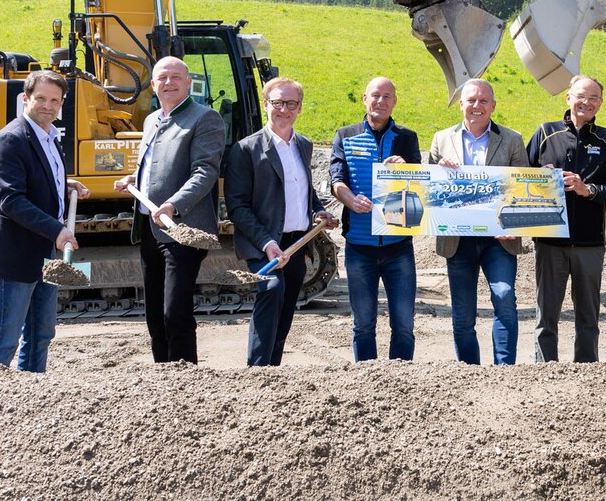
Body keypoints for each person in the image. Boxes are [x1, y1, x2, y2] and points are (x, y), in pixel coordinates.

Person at [0, 70, 87, 372]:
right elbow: (11, 200)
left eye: (55, 100)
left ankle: (33, 390)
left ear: (62, 103)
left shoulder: (49, 137)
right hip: (15, 253)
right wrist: (57, 230)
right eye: (41, 99)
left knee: (41, 334)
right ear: (25, 99)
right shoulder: (10, 140)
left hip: (43, 250)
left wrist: (63, 185)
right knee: (4, 339)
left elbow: (35, 176)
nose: (48, 106)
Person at [114, 56, 225, 365]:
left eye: (176, 77)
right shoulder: (151, 120)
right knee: (154, 314)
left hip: (183, 229)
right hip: (150, 230)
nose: (169, 82)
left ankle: (184, 375)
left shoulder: (205, 118)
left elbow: (205, 171)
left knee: (175, 312)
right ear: (153, 85)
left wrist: (174, 204)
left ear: (189, 82)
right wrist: (135, 179)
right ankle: (163, 374)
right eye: (162, 78)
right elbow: (156, 165)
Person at [225, 76, 338, 367]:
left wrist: (318, 211)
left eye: (291, 103)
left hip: (297, 243)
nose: (284, 110)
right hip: (263, 243)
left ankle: (273, 370)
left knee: (287, 306)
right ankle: (258, 369)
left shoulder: (304, 145)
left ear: (299, 107)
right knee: (272, 290)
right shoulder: (246, 149)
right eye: (277, 103)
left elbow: (304, 190)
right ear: (266, 104)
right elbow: (237, 207)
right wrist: (266, 243)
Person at [525, 74, 606, 363]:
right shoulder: (545, 133)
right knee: (546, 316)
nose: (587, 102)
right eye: (581, 96)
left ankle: (587, 371)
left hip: (590, 243)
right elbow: (520, 179)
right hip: (549, 241)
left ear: (601, 103)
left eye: (594, 98)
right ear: (568, 97)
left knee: (588, 317)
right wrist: (539, 178)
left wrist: (588, 190)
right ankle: (545, 369)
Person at [428, 78, 530, 365]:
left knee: (505, 297)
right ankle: (469, 371)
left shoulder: (512, 139)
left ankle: (504, 368)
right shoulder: (441, 139)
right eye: (471, 100)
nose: (477, 106)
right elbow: (429, 186)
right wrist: (438, 169)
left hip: (499, 239)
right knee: (463, 312)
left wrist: (516, 227)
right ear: (461, 104)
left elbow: (521, 187)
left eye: (483, 101)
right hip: (457, 239)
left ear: (493, 105)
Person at [330, 76, 421, 361]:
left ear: (395, 102)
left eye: (387, 96)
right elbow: (336, 180)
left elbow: (420, 183)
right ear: (364, 99)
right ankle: (366, 378)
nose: (380, 101)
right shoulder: (345, 135)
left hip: (399, 247)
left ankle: (400, 376)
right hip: (359, 248)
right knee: (363, 325)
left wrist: (407, 168)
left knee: (404, 326)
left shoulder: (407, 138)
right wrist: (350, 199)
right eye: (375, 95)